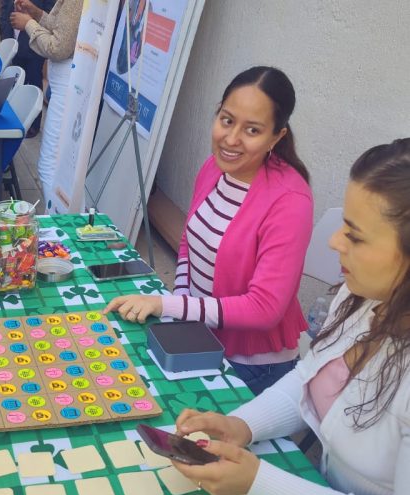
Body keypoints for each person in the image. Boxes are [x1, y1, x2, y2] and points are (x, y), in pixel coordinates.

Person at [170, 139, 410, 495]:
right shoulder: (363, 297)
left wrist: (259, 481)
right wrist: (242, 424)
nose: (334, 242)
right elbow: (309, 377)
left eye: (355, 236)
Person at [105, 66, 314, 394]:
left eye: (252, 130)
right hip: (200, 335)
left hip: (251, 365)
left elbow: (264, 308)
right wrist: (181, 302)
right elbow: (189, 243)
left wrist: (168, 306)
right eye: (227, 120)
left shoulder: (290, 200)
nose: (231, 139)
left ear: (277, 137)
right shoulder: (214, 167)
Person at [10, 0, 81, 209]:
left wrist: (28, 24)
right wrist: (37, 14)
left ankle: (58, 224)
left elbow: (58, 47)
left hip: (68, 86)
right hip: (71, 84)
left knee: (50, 165)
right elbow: (63, 28)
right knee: (64, 166)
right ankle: (68, 219)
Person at [1, 0, 55, 138]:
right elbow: (5, 7)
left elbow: (50, 13)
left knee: (33, 80)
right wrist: (4, 31)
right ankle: (17, 117)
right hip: (13, 37)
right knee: (17, 81)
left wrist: (30, 22)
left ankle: (34, 123)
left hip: (35, 41)